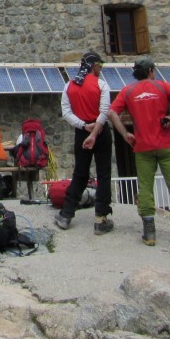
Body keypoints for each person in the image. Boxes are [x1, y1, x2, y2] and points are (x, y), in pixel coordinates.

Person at [107, 57, 170, 246]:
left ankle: (149, 232)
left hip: (142, 146)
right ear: (151, 71)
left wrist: (125, 134)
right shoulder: (162, 86)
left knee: (145, 187)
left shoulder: (128, 91)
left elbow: (112, 112)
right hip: (166, 145)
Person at [56, 51, 113, 234]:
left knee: (80, 173)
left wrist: (83, 126)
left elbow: (66, 112)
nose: (100, 69)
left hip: (82, 133)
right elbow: (104, 112)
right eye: (100, 66)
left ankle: (66, 214)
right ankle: (100, 218)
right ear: (94, 66)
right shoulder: (101, 85)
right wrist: (95, 131)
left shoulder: (69, 86)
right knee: (104, 173)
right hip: (101, 132)